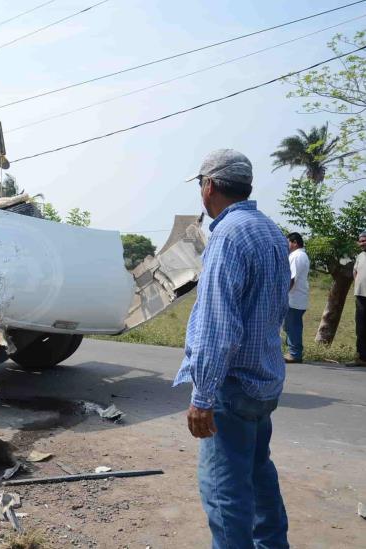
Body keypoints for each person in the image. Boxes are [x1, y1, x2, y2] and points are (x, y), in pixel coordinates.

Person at [175, 149, 290, 548]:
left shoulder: (227, 235)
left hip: (233, 387)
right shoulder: (270, 230)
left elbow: (218, 325)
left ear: (208, 187)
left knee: (225, 494)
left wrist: (202, 396)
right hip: (263, 381)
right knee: (259, 477)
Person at [283, 232, 310, 364]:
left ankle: (295, 353)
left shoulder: (297, 256)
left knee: (292, 326)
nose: (286, 245)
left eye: (287, 242)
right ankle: (292, 352)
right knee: (290, 326)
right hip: (296, 297)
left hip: (293, 297)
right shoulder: (299, 255)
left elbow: (291, 278)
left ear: (294, 243)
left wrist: (283, 294)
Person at [349, 231, 366, 367]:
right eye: (360, 241)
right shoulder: (360, 256)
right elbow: (355, 271)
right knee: (361, 328)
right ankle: (361, 358)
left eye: (364, 240)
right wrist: (358, 284)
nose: (362, 243)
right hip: (360, 297)